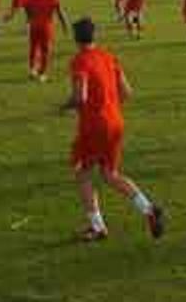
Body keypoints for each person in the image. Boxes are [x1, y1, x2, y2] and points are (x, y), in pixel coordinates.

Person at [61, 18, 165, 242]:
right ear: (94, 35)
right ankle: (148, 209)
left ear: (75, 38)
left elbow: (81, 97)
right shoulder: (108, 56)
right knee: (110, 174)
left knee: (82, 173)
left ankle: (97, 227)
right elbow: (127, 92)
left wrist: (64, 106)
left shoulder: (80, 61)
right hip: (116, 121)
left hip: (94, 126)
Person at [24, 0, 69, 82]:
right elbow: (60, 12)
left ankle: (32, 70)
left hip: (34, 26)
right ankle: (42, 73)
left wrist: (29, 17)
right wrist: (64, 25)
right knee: (45, 50)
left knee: (33, 48)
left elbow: (26, 6)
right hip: (46, 27)